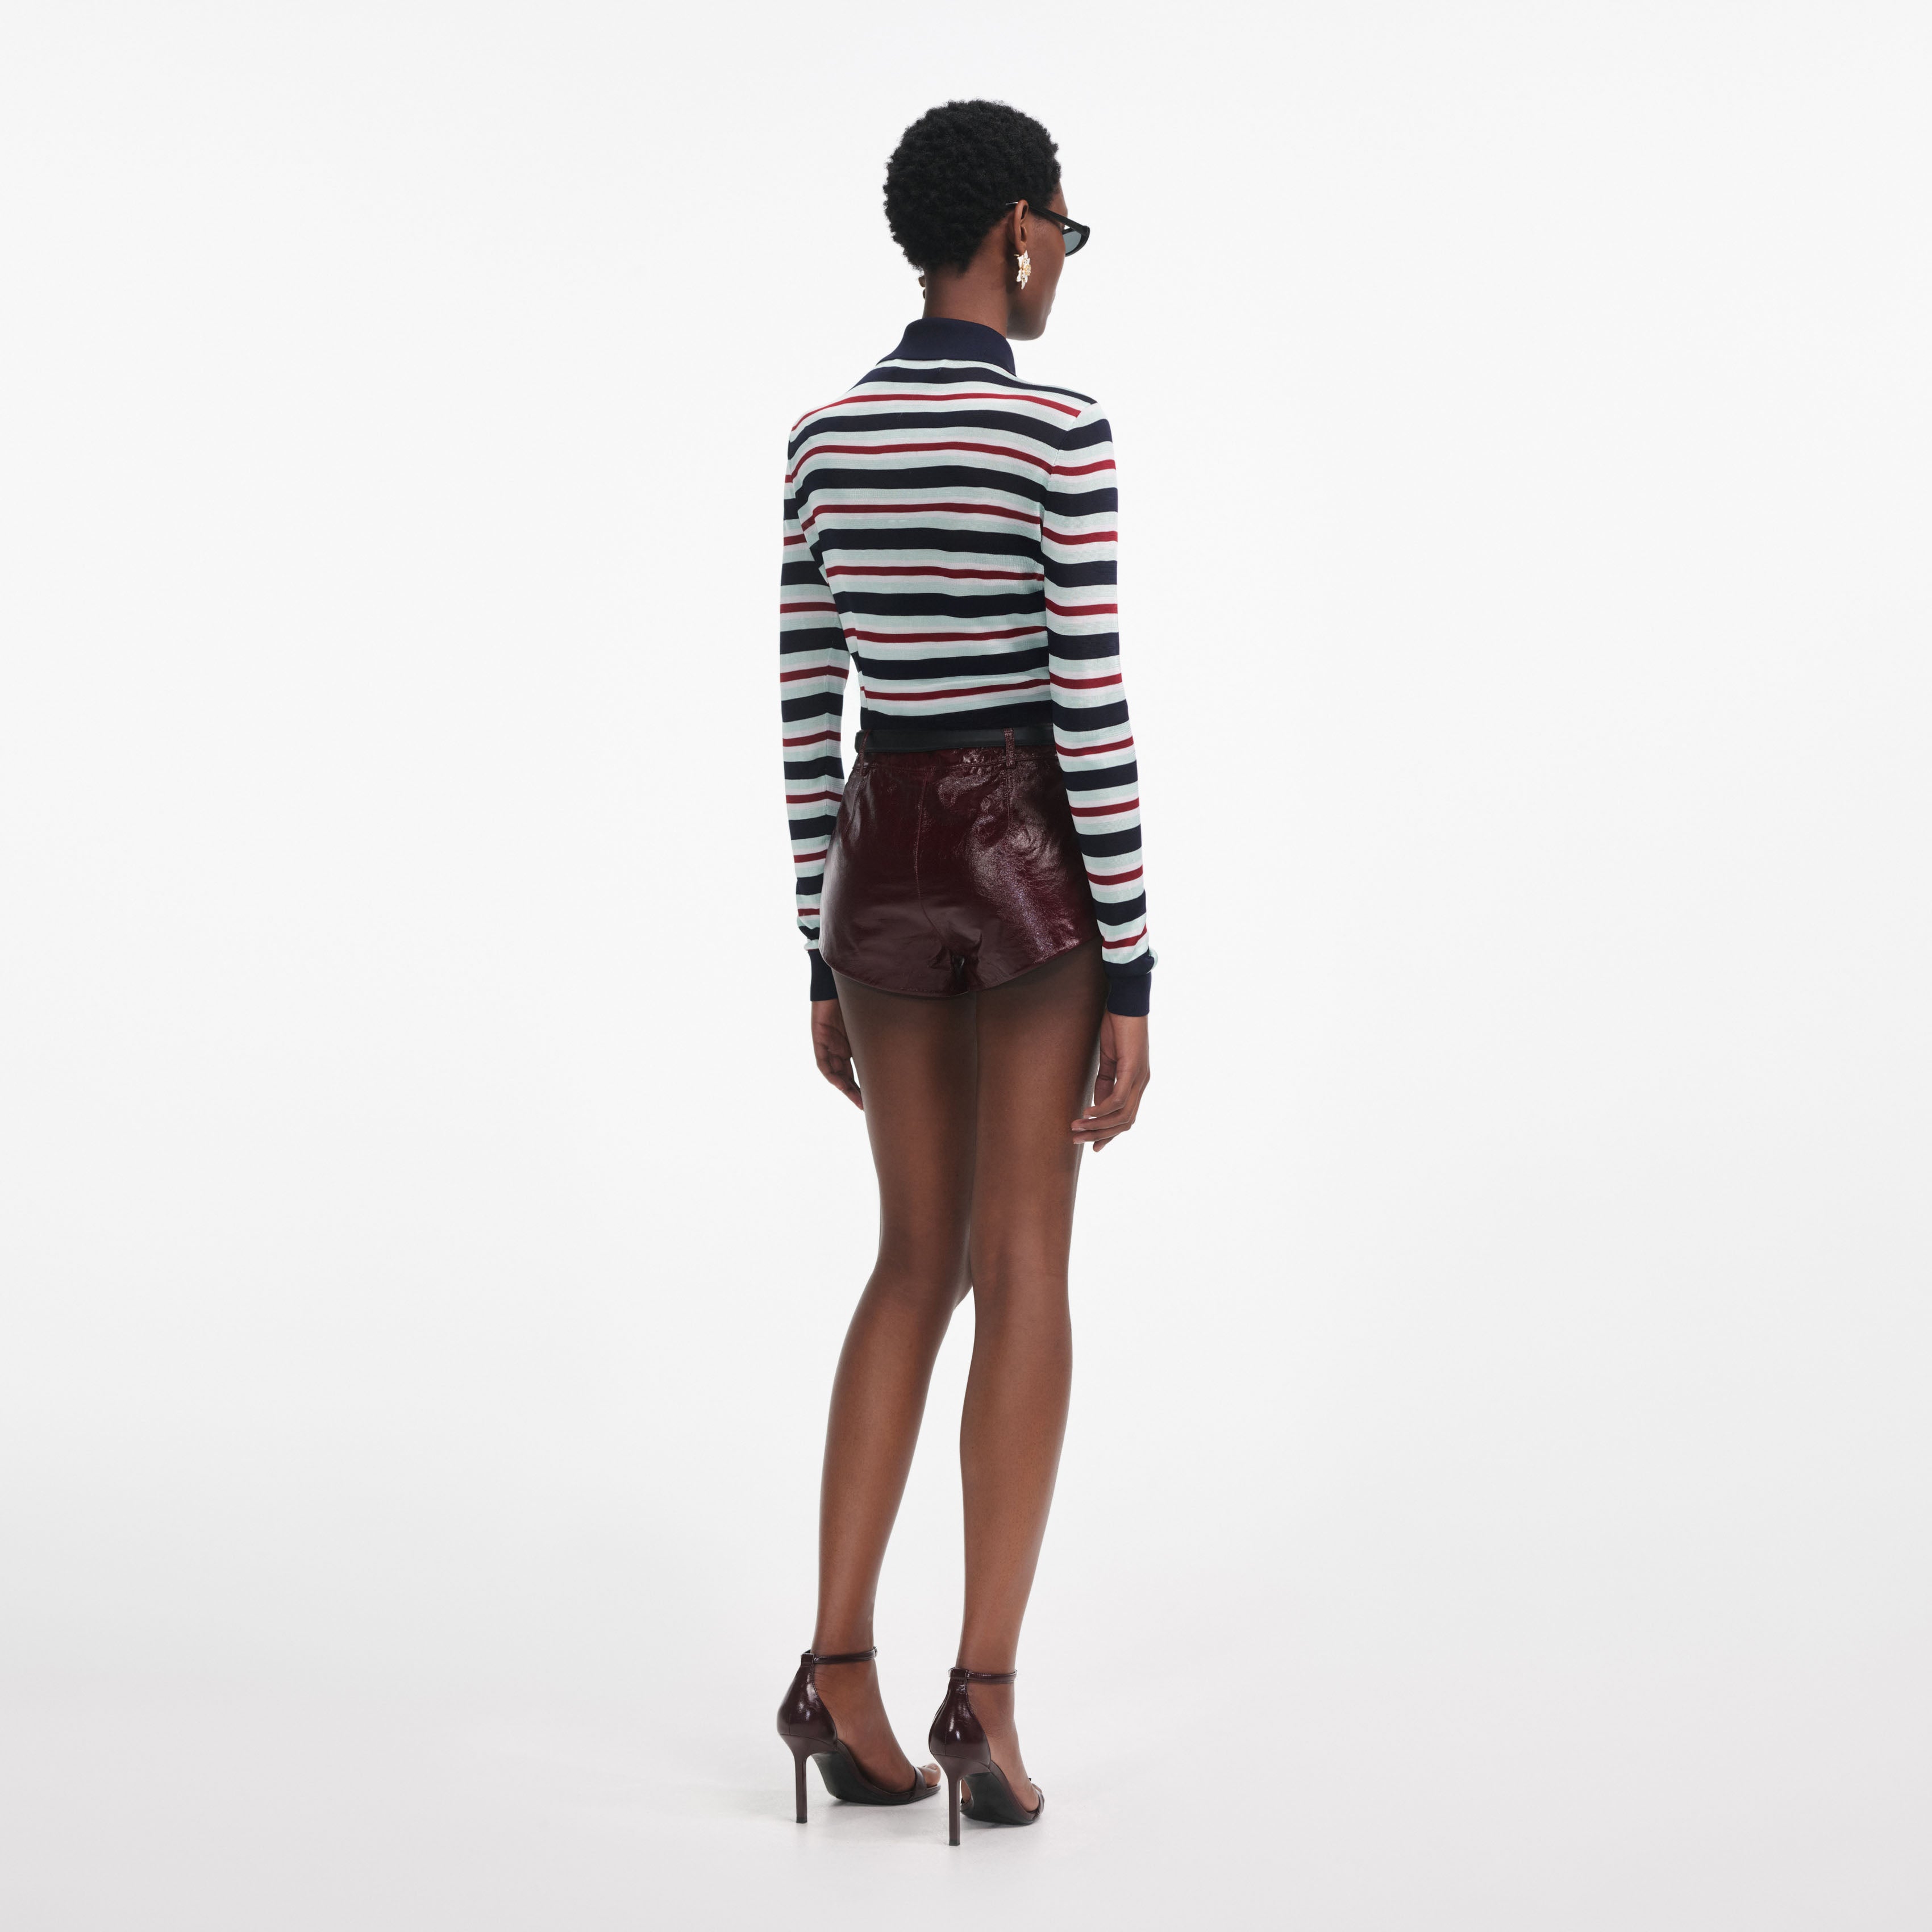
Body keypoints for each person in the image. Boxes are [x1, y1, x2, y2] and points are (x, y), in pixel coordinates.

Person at [772, 99, 1155, 1847]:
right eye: (1064, 227)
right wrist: (1132, 967)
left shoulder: (822, 439)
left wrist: (819, 945)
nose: (1064, 257)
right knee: (1022, 1267)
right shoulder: (1059, 431)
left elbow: (808, 710)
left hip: (879, 861)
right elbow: (1090, 706)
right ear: (1015, 226)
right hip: (1019, 862)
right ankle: (982, 1702)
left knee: (907, 1263)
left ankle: (833, 1672)